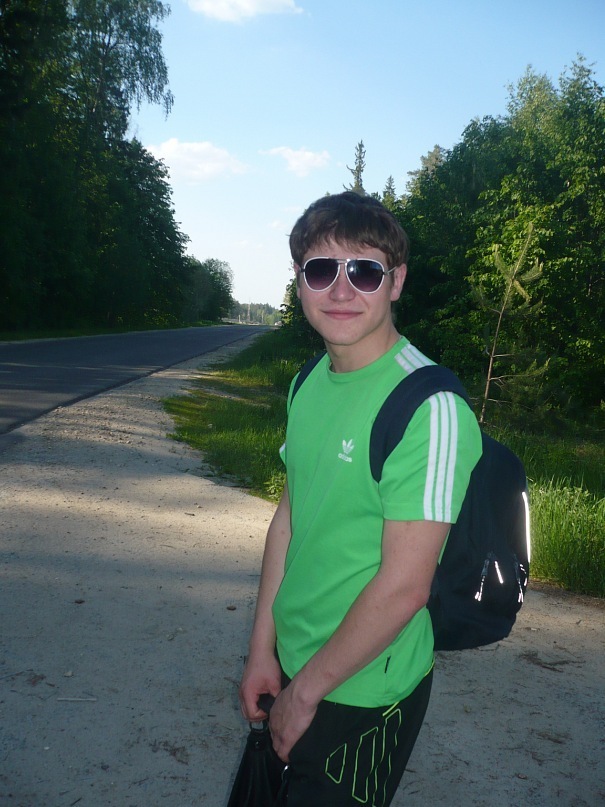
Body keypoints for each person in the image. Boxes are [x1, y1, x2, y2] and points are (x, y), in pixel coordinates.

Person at [239, 191, 482, 806]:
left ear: (395, 282)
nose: (341, 290)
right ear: (299, 282)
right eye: (321, 269)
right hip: (293, 663)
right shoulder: (307, 382)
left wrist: (304, 694)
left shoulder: (429, 407)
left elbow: (405, 587)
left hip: (364, 691)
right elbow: (289, 520)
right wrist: (263, 651)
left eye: (365, 271)